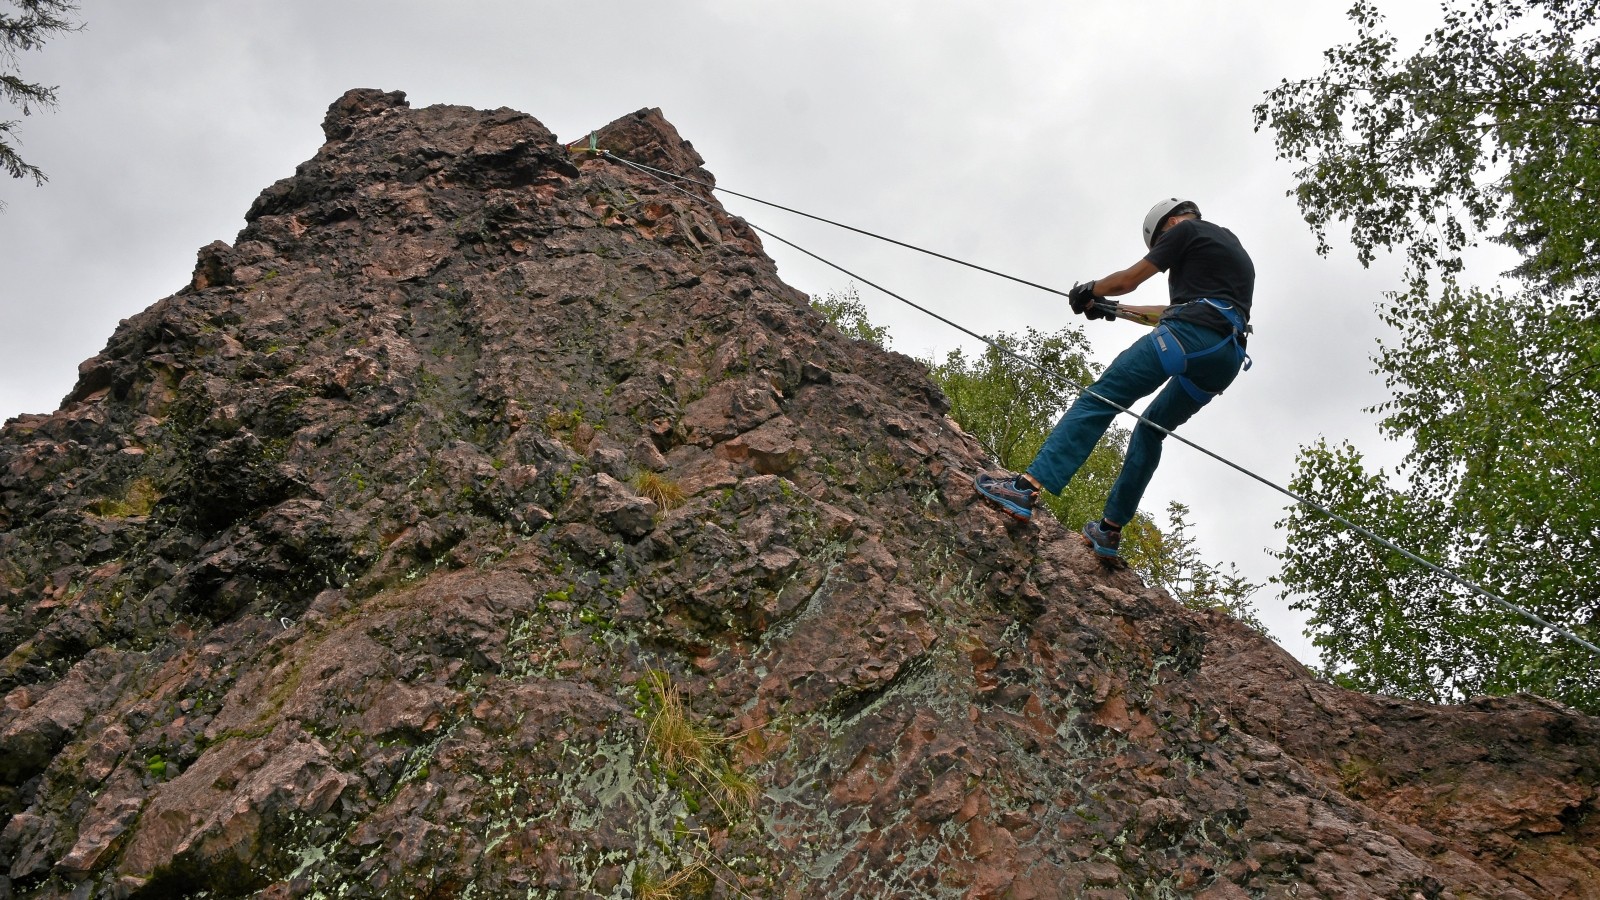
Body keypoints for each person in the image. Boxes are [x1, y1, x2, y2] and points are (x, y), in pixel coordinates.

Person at [974, 198, 1255, 557]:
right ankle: (1109, 530)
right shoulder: (1233, 250)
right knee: (1151, 430)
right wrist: (1112, 309)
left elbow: (1128, 281)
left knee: (1101, 398)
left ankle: (1024, 488)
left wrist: (1092, 289)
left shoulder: (1184, 230)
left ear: (1169, 224)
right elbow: (1175, 311)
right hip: (1226, 357)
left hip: (1186, 338)